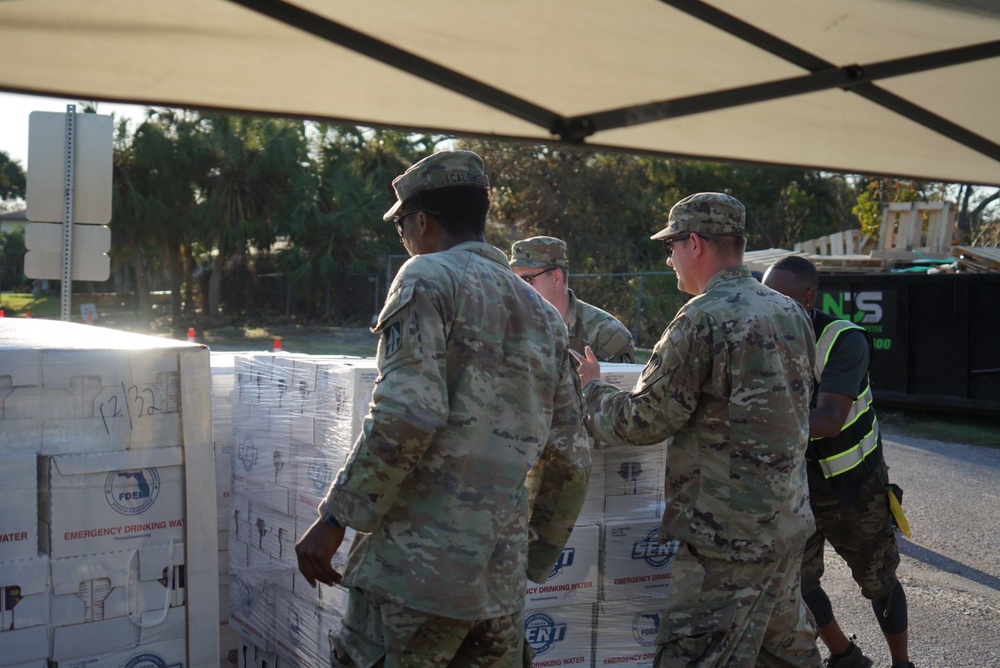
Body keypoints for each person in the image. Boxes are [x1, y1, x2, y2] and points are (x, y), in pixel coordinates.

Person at [295, 150, 591, 667]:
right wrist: (531, 556)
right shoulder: (544, 315)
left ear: (422, 221)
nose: (404, 239)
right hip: (496, 584)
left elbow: (409, 413)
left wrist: (337, 516)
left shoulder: (426, 277)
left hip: (415, 575)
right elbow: (569, 456)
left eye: (402, 226)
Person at [573, 192, 822, 667]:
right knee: (786, 655)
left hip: (725, 543)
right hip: (785, 524)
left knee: (691, 657)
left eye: (671, 248)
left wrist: (592, 389)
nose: (668, 260)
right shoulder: (789, 311)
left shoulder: (702, 319)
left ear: (695, 243)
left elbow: (642, 421)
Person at [762, 255, 914, 668]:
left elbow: (829, 420)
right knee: (800, 581)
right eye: (763, 297)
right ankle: (845, 656)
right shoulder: (761, 338)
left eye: (778, 298)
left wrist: (752, 423)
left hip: (855, 488)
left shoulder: (843, 339)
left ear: (808, 296)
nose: (767, 307)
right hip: (797, 488)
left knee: (878, 582)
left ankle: (902, 664)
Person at [509, 235, 637, 363]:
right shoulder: (509, 328)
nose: (518, 288)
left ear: (556, 278)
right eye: (513, 280)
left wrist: (590, 381)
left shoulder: (606, 334)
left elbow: (624, 383)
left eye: (525, 280)